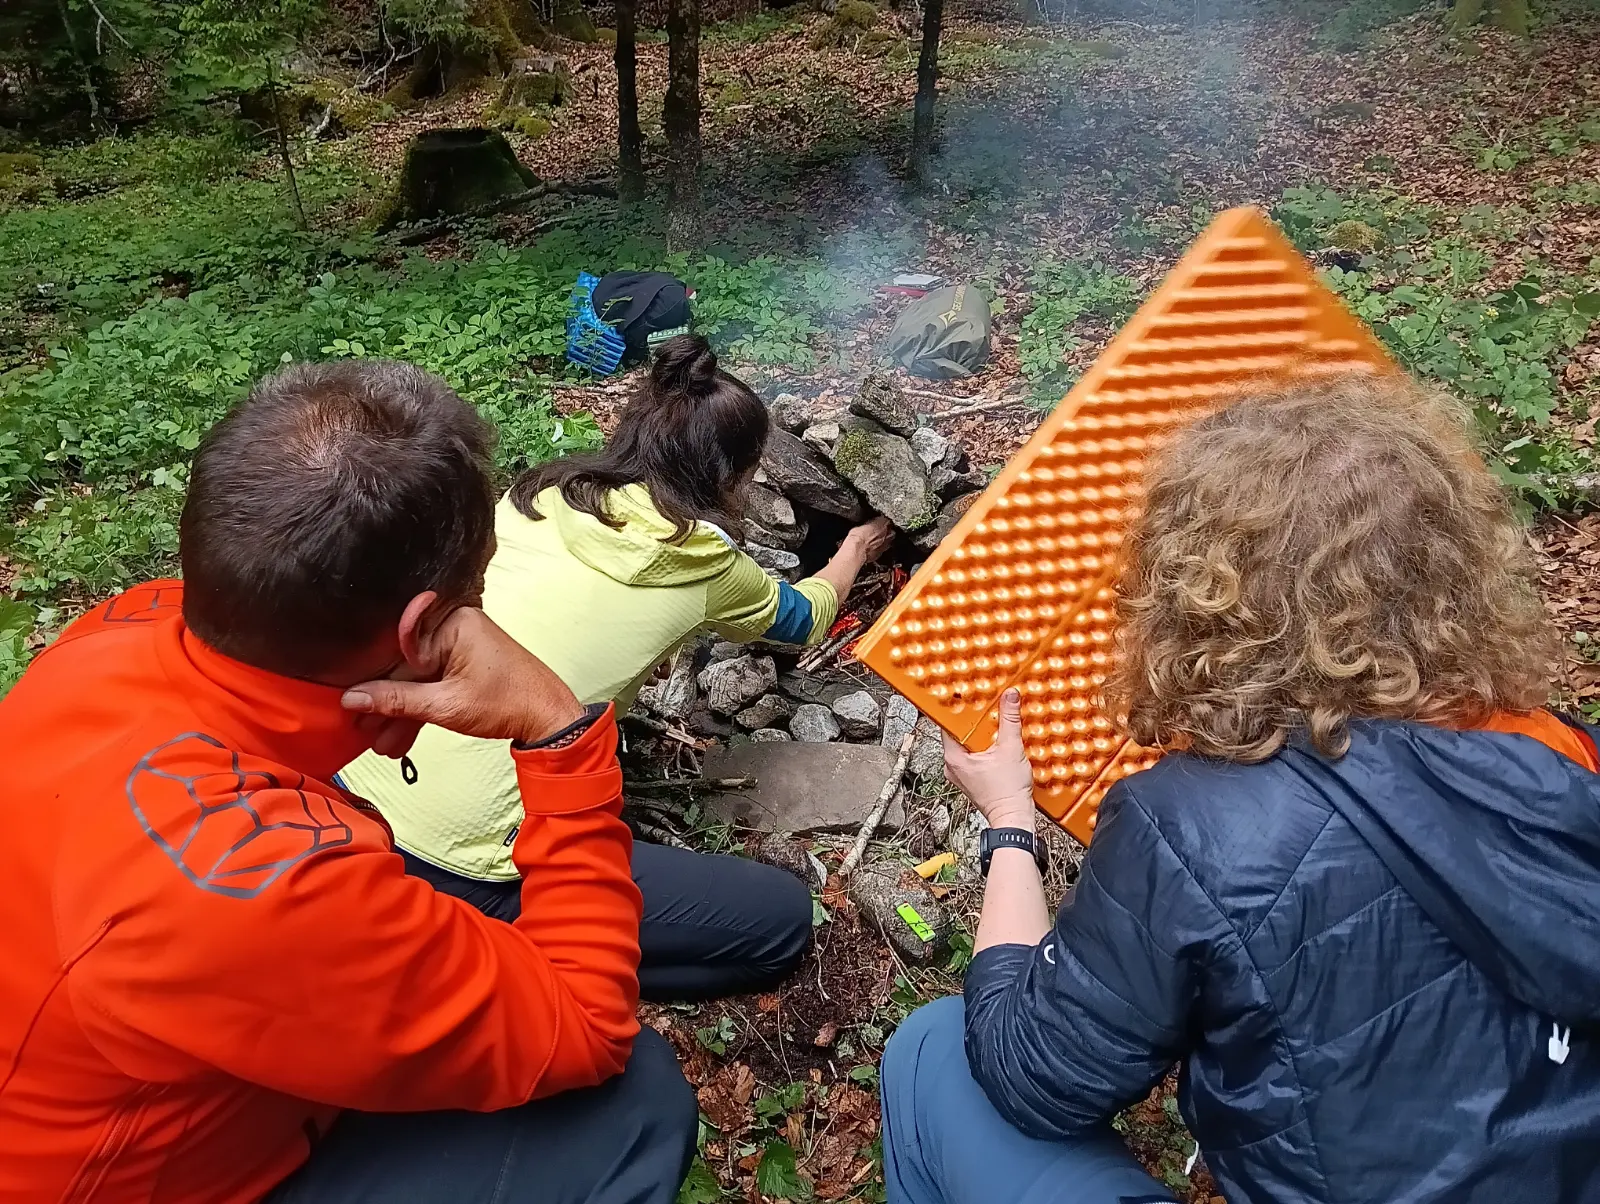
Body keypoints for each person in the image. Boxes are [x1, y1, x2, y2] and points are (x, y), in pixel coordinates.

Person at [879, 375, 1600, 1204]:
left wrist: (1010, 820)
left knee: (935, 1049)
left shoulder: (1194, 825)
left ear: (1198, 589)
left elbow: (1032, 1074)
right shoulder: (1565, 753)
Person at [0, 361, 698, 1203]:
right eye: (476, 594)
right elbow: (587, 1028)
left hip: (126, 1072)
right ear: (421, 625)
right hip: (135, 1176)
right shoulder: (272, 887)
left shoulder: (116, 629)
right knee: (633, 1097)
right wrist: (558, 726)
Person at [339, 335, 894, 999]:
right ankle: (520, 962)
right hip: (474, 858)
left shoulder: (539, 493)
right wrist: (857, 548)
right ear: (731, 477)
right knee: (782, 924)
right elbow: (803, 619)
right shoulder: (704, 565)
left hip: (353, 794)